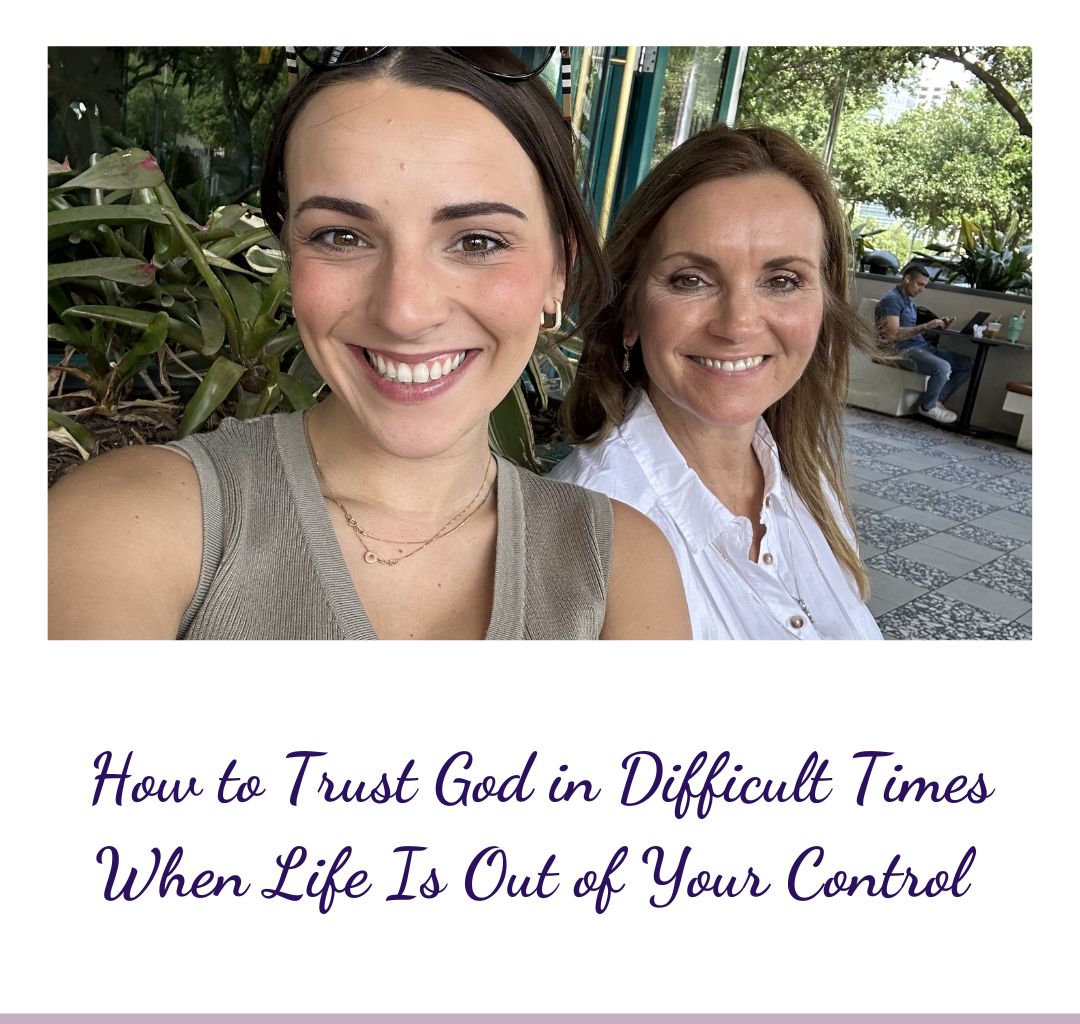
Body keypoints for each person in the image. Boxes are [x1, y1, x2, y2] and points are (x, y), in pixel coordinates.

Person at [49, 48, 691, 641]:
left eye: (478, 242)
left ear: (559, 271)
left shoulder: (620, 566)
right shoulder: (133, 519)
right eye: (341, 237)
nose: (404, 313)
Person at [552, 124, 882, 640]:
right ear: (629, 310)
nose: (738, 325)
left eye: (782, 281)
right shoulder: (583, 536)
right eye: (691, 280)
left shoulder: (806, 480)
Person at [874, 262, 974, 424]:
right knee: (943, 367)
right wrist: (925, 326)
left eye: (924, 285)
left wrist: (935, 325)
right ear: (907, 279)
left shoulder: (909, 301)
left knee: (966, 364)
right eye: (919, 284)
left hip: (920, 346)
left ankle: (937, 400)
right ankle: (928, 407)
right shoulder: (891, 300)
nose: (922, 289)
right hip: (899, 349)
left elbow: (910, 328)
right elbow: (892, 334)